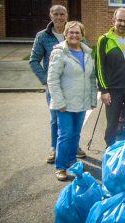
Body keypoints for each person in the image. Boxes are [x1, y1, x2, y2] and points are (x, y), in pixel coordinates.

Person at [29, 5, 86, 163]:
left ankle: (74, 147)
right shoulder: (43, 36)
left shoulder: (76, 32)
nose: (59, 17)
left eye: (62, 14)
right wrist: (46, 81)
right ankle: (54, 148)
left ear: (66, 15)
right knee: (56, 118)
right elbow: (33, 60)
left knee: (75, 118)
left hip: (74, 85)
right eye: (56, 14)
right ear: (50, 15)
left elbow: (85, 55)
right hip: (54, 86)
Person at [47, 21, 97, 181]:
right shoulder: (59, 52)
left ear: (82, 35)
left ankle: (72, 161)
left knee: (76, 133)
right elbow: (52, 79)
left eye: (77, 32)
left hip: (81, 103)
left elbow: (91, 78)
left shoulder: (87, 53)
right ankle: (60, 167)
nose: (74, 35)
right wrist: (59, 102)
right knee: (65, 135)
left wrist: (92, 98)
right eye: (71, 32)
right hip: (65, 104)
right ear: (66, 34)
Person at [95, 8, 125, 147]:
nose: (122, 23)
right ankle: (110, 149)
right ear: (113, 20)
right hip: (113, 90)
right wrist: (103, 90)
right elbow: (99, 66)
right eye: (120, 20)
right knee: (112, 124)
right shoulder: (104, 40)